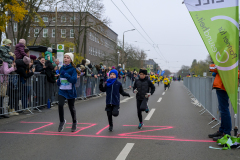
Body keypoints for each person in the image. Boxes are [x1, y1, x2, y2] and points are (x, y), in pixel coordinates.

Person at [208, 63, 239, 141]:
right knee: (223, 109)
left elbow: (213, 70)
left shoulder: (224, 60)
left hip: (222, 85)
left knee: (224, 109)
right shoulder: (230, 61)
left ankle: (226, 133)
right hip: (225, 85)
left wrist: (213, 65)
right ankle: (222, 131)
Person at [57, 53, 80, 132]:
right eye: (65, 57)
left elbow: (73, 80)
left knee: (71, 107)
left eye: (68, 57)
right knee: (60, 104)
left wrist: (66, 75)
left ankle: (74, 122)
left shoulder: (73, 69)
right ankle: (62, 121)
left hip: (70, 91)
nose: (66, 59)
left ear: (70, 60)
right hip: (62, 90)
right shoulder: (61, 68)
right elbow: (61, 77)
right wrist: (58, 82)